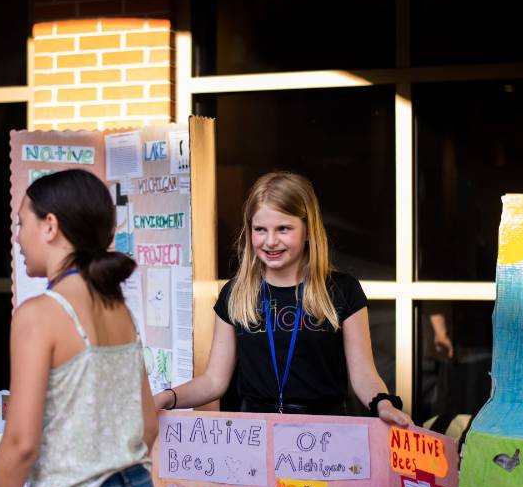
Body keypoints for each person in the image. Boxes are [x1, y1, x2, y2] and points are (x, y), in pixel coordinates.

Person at [0, 169, 161, 487]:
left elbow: (21, 443)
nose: (18, 237)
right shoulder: (118, 309)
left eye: (23, 223)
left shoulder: (41, 314)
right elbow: (146, 423)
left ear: (50, 226)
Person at [154, 171, 412, 424]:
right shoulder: (235, 293)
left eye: (283, 229)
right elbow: (213, 381)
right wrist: (166, 398)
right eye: (260, 229)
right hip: (256, 436)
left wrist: (383, 404)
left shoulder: (342, 290)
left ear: (308, 230)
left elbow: (364, 375)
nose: (270, 241)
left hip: (325, 438)